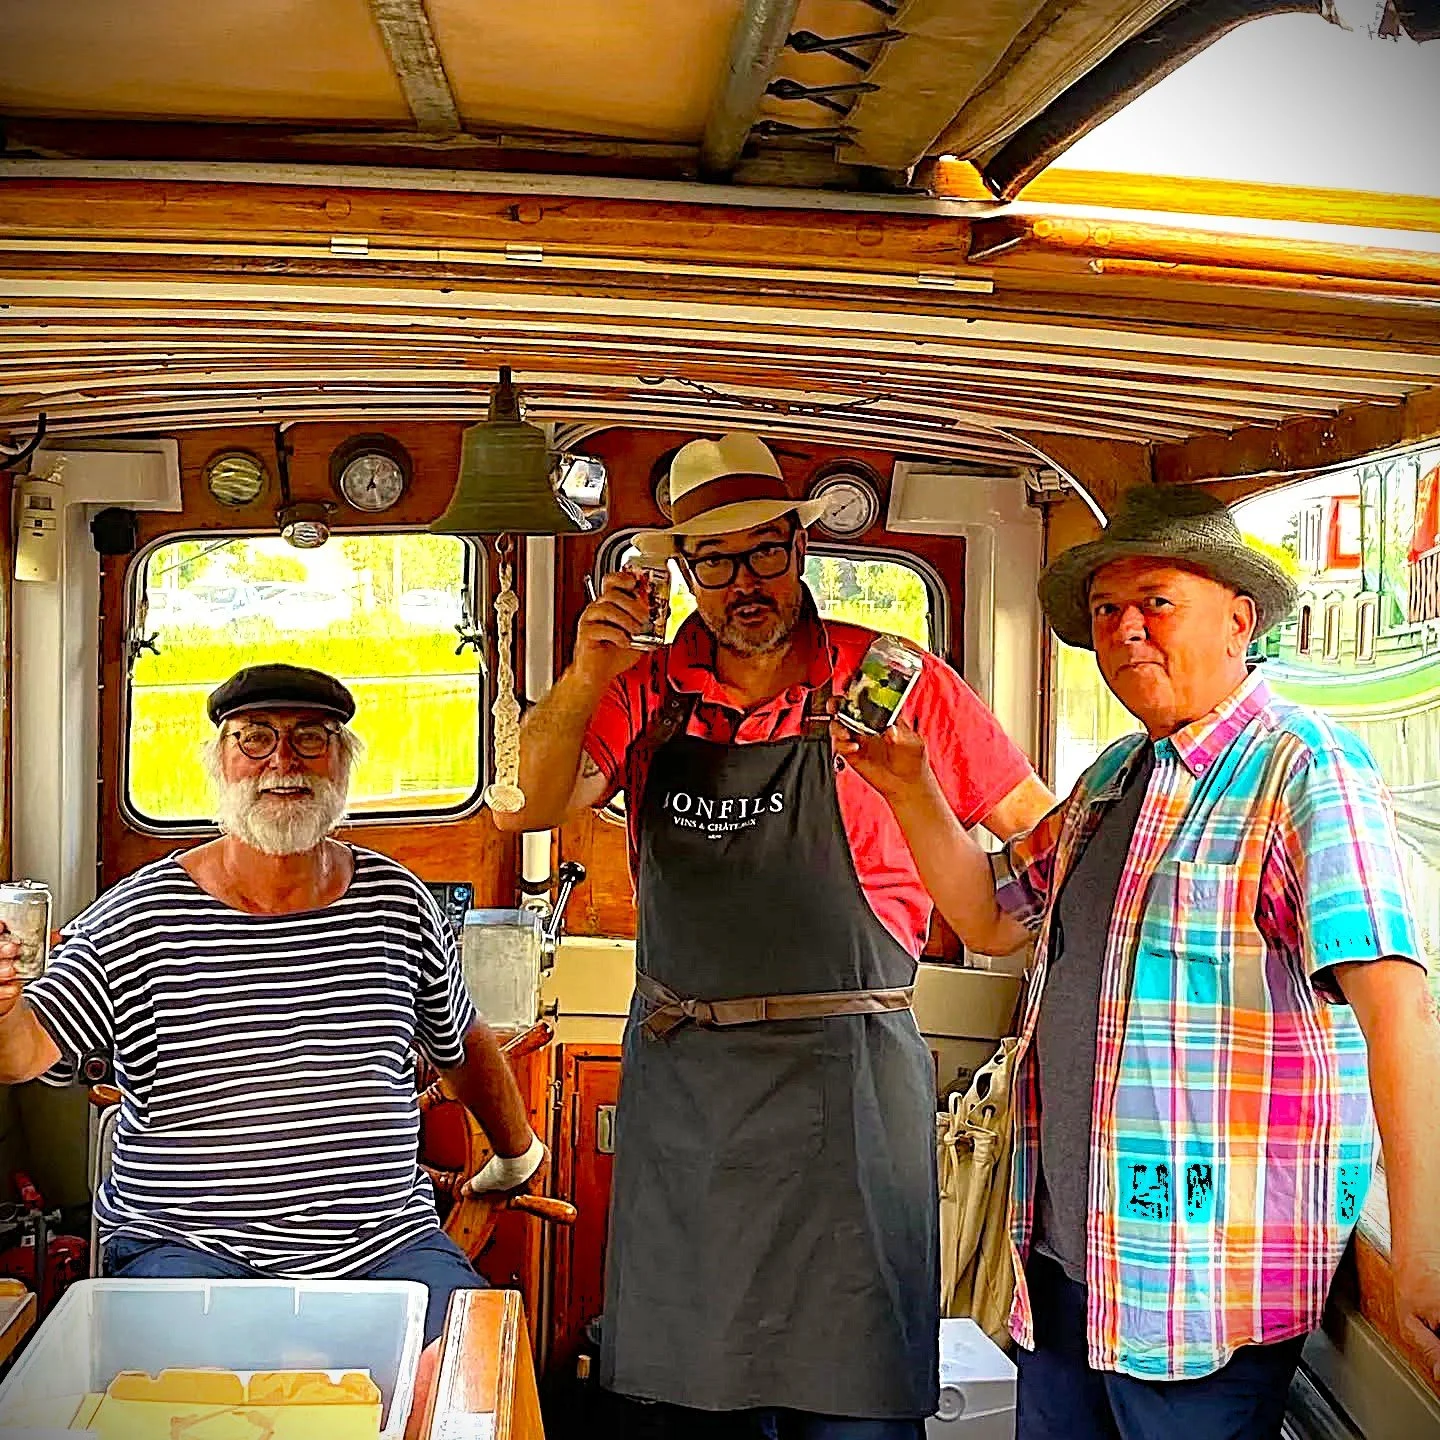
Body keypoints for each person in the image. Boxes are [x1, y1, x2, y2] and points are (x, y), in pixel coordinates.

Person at [834, 486, 1440, 1438]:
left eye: (1156, 601)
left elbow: (1396, 1007)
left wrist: (1425, 1249)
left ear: (1239, 619)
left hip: (1202, 1292)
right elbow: (992, 919)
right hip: (1068, 1270)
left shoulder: (1305, 768)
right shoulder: (1115, 779)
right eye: (1108, 612)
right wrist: (911, 789)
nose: (1125, 630)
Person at [494, 432, 1054, 1437]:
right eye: (715, 558)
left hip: (851, 1083)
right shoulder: (642, 689)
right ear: (683, 570)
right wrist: (584, 671)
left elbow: (1037, 833)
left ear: (800, 547)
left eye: (765, 551)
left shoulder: (894, 680)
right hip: (689, 1089)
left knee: (857, 1410)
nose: (745, 581)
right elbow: (525, 809)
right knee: (688, 1406)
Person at [0, 663, 546, 1362]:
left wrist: (516, 1154)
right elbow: (22, 1053)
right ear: (219, 763)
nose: (282, 762)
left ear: (343, 762)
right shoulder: (139, 916)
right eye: (254, 739)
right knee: (184, 1404)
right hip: (190, 1251)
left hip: (383, 1245)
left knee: (479, 1371)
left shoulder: (397, 903)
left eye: (310, 739)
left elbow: (460, 1042)